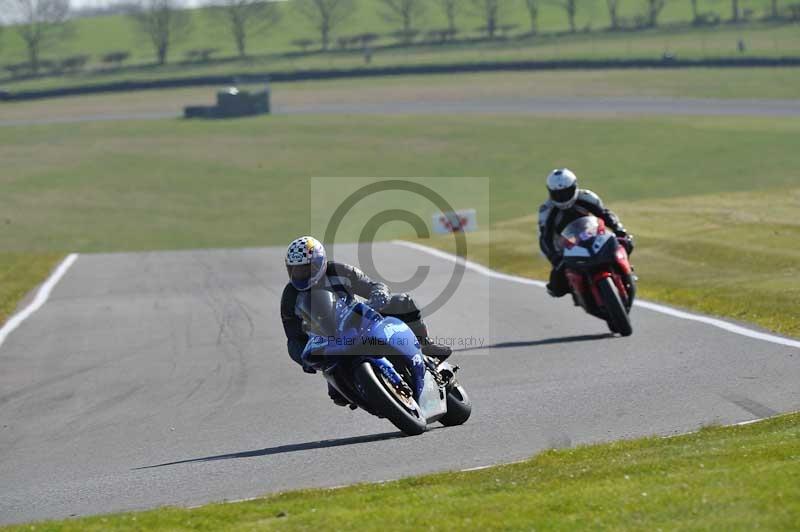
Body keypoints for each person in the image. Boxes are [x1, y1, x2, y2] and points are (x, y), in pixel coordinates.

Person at [280, 236, 452, 405]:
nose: (300, 274)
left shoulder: (339, 271)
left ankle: (424, 345)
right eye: (295, 270)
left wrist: (379, 294)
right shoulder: (289, 297)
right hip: (328, 341)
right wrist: (303, 360)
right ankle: (370, 394)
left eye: (306, 268)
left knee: (402, 302)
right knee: (338, 396)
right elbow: (293, 338)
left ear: (320, 262)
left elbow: (372, 285)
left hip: (356, 320)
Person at [538, 168, 633, 298]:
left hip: (594, 234)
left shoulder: (587, 197)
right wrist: (554, 257)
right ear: (550, 193)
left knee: (625, 243)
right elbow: (545, 239)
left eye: (566, 192)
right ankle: (578, 292)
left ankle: (626, 270)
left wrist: (619, 230)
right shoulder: (547, 211)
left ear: (574, 187)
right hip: (569, 246)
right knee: (556, 288)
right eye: (558, 194)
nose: (563, 198)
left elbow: (605, 215)